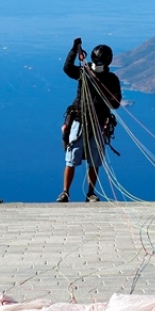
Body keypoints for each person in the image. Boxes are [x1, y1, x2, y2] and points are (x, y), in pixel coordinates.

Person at [58, 37, 122, 203]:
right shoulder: (87, 73)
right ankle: (77, 192)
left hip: (91, 123)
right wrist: (74, 50)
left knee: (79, 159)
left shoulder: (89, 74)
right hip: (86, 121)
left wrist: (74, 49)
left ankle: (74, 192)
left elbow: (115, 103)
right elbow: (116, 104)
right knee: (81, 159)